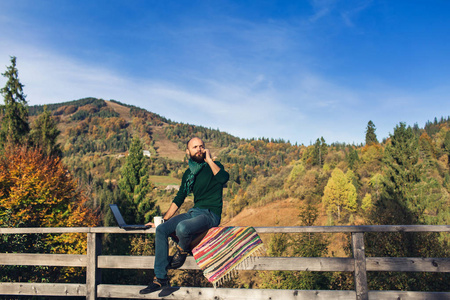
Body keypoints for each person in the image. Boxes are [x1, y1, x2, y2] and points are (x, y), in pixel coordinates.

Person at [139, 137, 229, 294]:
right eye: (195, 147)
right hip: (195, 212)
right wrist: (162, 220)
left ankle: (182, 251)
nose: (199, 149)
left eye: (201, 146)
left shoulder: (215, 166)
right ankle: (161, 279)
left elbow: (224, 179)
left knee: (183, 228)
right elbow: (180, 197)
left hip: (210, 214)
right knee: (161, 230)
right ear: (188, 151)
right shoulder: (189, 174)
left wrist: (209, 160)